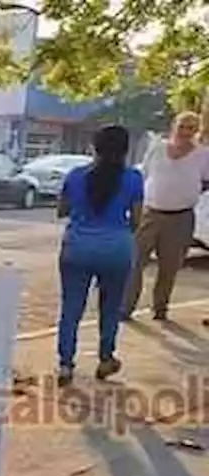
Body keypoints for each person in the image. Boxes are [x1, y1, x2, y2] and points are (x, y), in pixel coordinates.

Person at [54, 125, 143, 385]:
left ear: (94, 147)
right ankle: (106, 357)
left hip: (77, 247)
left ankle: (66, 364)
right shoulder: (133, 178)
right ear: (126, 150)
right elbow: (137, 219)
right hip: (116, 248)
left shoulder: (75, 175)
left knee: (71, 308)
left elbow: (62, 210)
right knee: (110, 307)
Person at [121, 111, 209, 320]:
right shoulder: (157, 148)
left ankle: (160, 308)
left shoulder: (203, 154)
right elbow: (145, 176)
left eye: (191, 128)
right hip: (150, 213)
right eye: (182, 126)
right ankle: (125, 308)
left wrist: (188, 192)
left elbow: (206, 181)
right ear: (173, 127)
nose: (185, 132)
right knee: (135, 263)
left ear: (196, 132)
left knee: (169, 267)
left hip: (180, 217)